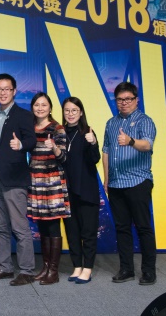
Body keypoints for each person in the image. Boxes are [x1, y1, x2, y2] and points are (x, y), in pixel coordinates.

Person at [102, 82, 157, 286]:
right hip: (116, 184)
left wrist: (131, 141)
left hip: (138, 181)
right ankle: (126, 269)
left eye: (128, 99)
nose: (124, 103)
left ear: (136, 100)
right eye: (120, 99)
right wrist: (107, 179)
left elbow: (147, 144)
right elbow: (106, 151)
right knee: (122, 228)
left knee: (143, 228)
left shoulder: (145, 120)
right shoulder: (111, 123)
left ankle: (149, 271)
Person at [0, 73, 37, 286]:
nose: (3, 93)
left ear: (14, 91)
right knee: (0, 226)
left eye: (7, 89)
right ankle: (5, 268)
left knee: (19, 226)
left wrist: (21, 145)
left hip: (14, 179)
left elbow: (32, 140)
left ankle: (27, 270)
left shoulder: (23, 115)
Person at [27, 92, 69, 285]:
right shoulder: (30, 127)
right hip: (35, 180)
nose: (40, 108)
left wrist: (54, 147)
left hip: (52, 181)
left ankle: (54, 271)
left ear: (50, 108)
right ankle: (45, 267)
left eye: (44, 105)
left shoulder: (57, 128)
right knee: (42, 225)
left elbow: (63, 157)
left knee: (53, 226)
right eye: (37, 105)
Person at [61, 96, 100, 284]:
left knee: (88, 232)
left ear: (81, 112)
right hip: (66, 190)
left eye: (74, 110)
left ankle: (88, 268)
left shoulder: (88, 132)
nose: (70, 114)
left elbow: (95, 159)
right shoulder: (60, 133)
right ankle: (77, 266)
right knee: (72, 231)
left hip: (86, 190)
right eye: (67, 110)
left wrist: (93, 143)